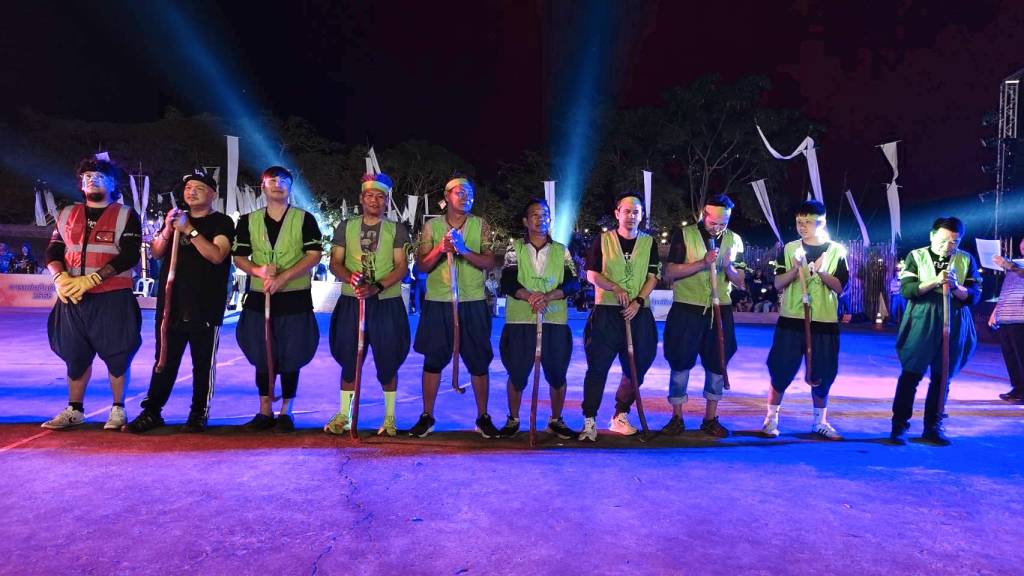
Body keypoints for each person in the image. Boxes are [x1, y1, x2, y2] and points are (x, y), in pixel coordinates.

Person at [123, 170, 235, 433]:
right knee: (163, 360)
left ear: (213, 194)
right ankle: (152, 411)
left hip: (205, 306)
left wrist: (189, 230)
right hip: (171, 305)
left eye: (199, 188)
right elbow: (157, 252)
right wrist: (167, 228)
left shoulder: (221, 222)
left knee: (202, 364)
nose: (191, 192)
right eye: (188, 188)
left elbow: (217, 255)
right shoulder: (176, 218)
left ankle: (198, 413)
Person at [42, 157, 142, 430]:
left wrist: (94, 279)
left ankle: (118, 409)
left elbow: (130, 255)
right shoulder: (66, 214)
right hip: (72, 296)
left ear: (113, 183)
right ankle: (74, 409)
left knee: (118, 352)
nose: (92, 179)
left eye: (99, 175)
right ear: (80, 184)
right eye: (86, 176)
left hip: (112, 296)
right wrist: (60, 278)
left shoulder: (126, 214)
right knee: (74, 353)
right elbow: (53, 250)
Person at [409, 177, 502, 438]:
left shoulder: (480, 225)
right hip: (439, 301)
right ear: (447, 196)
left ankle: (483, 417)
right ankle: (427, 416)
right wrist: (440, 248)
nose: (466, 197)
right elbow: (421, 267)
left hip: (472, 301)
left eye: (470, 193)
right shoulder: (432, 226)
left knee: (479, 359)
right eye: (460, 192)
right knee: (433, 359)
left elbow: (488, 262)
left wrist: (463, 249)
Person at [232, 166, 323, 432]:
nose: (278, 184)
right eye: (272, 180)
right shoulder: (248, 220)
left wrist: (284, 277)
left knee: (292, 353)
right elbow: (239, 257)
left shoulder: (304, 219)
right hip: (259, 297)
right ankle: (264, 409)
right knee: (262, 352)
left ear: (290, 188)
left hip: (294, 298)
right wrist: (259, 271)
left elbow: (314, 255)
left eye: (284, 181)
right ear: (263, 187)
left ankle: (286, 410)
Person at [324, 173, 411, 437]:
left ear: (386, 201)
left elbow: (401, 267)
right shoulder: (345, 227)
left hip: (386, 302)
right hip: (353, 301)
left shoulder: (397, 229)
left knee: (388, 359)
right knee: (349, 358)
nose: (375, 200)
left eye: (380, 196)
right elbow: (335, 263)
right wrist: (350, 278)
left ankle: (390, 417)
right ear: (361, 198)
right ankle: (344, 415)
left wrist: (377, 286)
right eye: (370, 195)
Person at [762, 201, 850, 440]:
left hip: (823, 321)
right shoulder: (789, 248)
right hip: (791, 319)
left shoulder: (836, 251)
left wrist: (821, 272)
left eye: (808, 222)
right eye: (799, 222)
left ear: (822, 222)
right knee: (781, 368)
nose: (802, 227)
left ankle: (820, 422)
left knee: (823, 371)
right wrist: (795, 269)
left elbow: (840, 287)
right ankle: (771, 419)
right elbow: (778, 283)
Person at [890, 217, 981, 446]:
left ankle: (933, 426)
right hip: (923, 318)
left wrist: (956, 287)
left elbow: (974, 295)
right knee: (911, 373)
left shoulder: (966, 259)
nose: (948, 246)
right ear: (932, 235)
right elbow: (908, 290)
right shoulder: (916, 256)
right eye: (943, 240)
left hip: (955, 319)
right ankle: (899, 425)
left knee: (942, 377)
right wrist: (934, 281)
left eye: (954, 242)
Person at [659, 194, 743, 438]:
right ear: (703, 214)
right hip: (687, 309)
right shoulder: (684, 235)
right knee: (680, 362)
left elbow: (740, 281)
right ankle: (676, 417)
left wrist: (728, 266)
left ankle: (710, 418)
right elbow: (669, 273)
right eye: (713, 222)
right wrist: (702, 263)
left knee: (717, 363)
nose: (717, 228)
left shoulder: (734, 239)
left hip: (720, 310)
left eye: (723, 223)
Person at [578, 192, 659, 442]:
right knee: (597, 367)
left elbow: (652, 277)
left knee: (638, 366)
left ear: (641, 215)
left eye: (636, 211)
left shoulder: (649, 242)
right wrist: (614, 287)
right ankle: (589, 420)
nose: (631, 215)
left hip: (638, 312)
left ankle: (620, 414)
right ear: (617, 214)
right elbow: (591, 274)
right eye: (627, 211)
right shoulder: (602, 240)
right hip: (606, 312)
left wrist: (639, 301)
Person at [497, 198, 579, 440]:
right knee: (517, 372)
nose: (540, 218)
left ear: (550, 220)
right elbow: (508, 281)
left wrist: (548, 296)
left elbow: (573, 282)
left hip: (554, 321)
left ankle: (556, 420)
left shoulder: (561, 250)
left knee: (557, 372)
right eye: (534, 214)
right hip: (520, 320)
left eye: (544, 214)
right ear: (525, 221)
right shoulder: (515, 248)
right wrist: (530, 296)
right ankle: (513, 419)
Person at [990, 238, 1024, 404]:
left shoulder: (1013, 266)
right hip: (1006, 317)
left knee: (1021, 356)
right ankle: (1018, 389)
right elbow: (1007, 290)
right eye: (1023, 244)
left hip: (1021, 318)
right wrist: (995, 312)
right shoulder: (1014, 265)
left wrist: (1010, 266)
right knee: (1010, 356)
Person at [887, 260, 906, 326]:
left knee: (904, 309)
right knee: (893, 309)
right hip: (895, 296)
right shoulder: (893, 280)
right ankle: (895, 321)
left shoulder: (904, 280)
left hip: (903, 296)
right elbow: (892, 289)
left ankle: (904, 321)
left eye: (900, 270)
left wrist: (899, 288)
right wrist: (899, 288)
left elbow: (905, 287)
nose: (898, 272)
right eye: (897, 271)